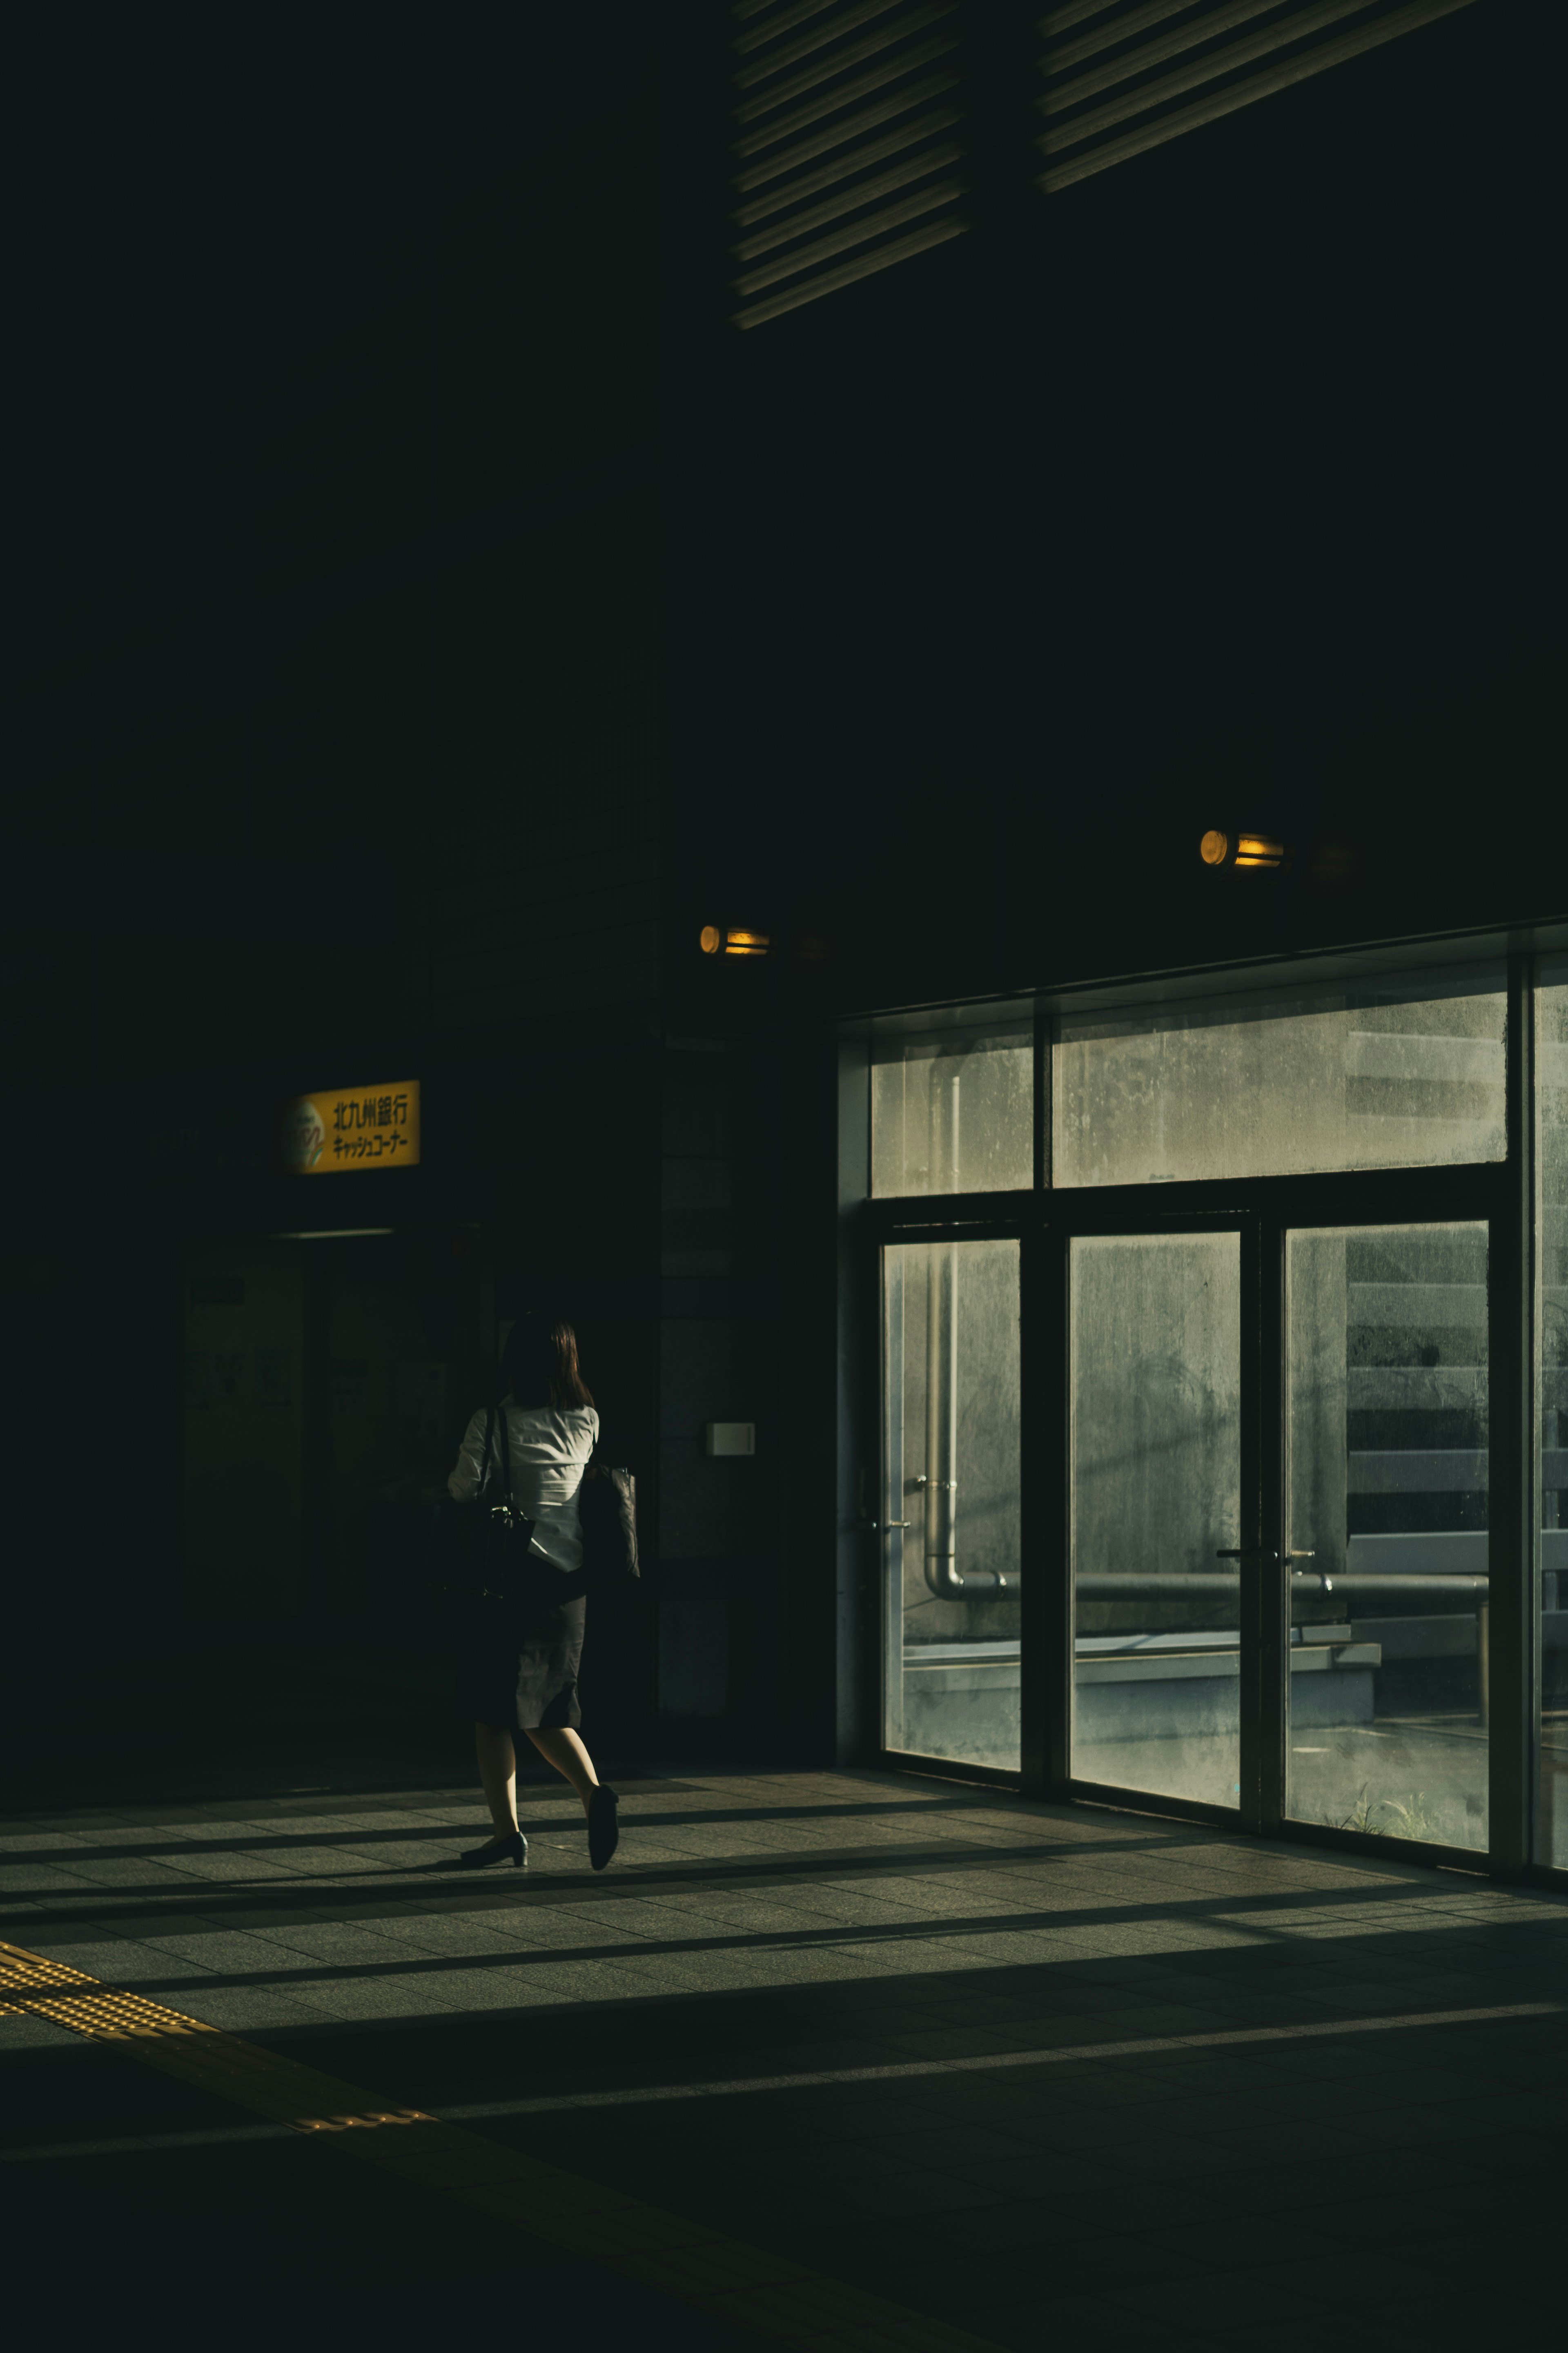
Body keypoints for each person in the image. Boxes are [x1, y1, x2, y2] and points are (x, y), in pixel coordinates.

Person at [446, 1317, 619, 1872]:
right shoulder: (586, 1419)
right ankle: (593, 1793)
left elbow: (463, 1488)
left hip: (510, 1581)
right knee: (551, 1705)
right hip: (571, 1586)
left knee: (493, 1712)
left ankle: (508, 1833)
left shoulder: (493, 1420)